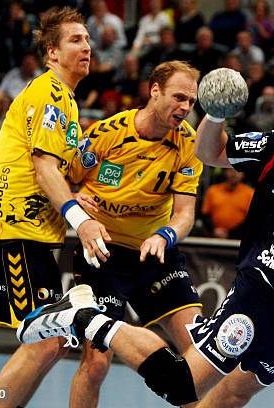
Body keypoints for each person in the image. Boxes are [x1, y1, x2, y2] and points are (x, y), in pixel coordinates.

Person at [16, 73, 274, 407]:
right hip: (260, 291)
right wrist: (214, 115)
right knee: (181, 386)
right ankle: (82, 316)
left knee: (232, 395)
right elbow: (211, 154)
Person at [0, 8, 111, 408]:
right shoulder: (48, 93)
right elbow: (42, 166)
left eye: (87, 40)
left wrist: (73, 191)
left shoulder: (66, 101)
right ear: (51, 52)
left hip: (34, 233)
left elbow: (51, 172)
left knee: (50, 342)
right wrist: (79, 218)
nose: (86, 46)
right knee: (47, 338)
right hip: (15, 229)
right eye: (75, 40)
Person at [66, 60, 203, 407]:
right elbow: (65, 184)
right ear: (153, 91)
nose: (185, 107)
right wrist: (74, 201)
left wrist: (165, 235)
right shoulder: (106, 133)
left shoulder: (190, 142)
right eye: (179, 97)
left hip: (154, 252)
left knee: (200, 353)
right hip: (103, 255)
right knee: (96, 363)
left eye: (191, 101)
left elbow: (186, 214)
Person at [201, 167, 254, 239]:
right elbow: (205, 215)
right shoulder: (213, 190)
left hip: (239, 239)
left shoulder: (250, 193)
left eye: (238, 171)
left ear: (243, 174)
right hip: (213, 237)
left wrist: (230, 234)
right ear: (225, 172)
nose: (234, 174)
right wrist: (214, 230)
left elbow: (251, 220)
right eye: (231, 170)